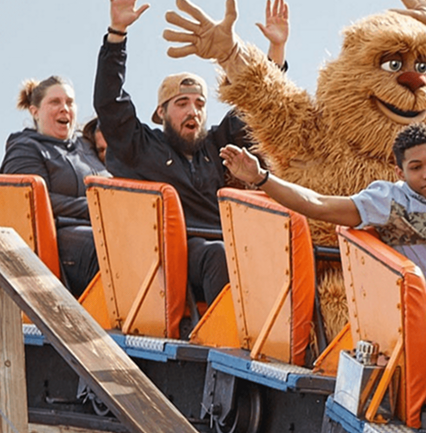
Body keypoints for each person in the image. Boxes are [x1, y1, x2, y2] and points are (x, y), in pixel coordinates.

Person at [220, 69, 426, 377]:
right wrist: (262, 178)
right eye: (416, 167)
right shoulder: (389, 201)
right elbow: (318, 204)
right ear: (400, 173)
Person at [94, 0, 289, 305]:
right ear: (162, 112)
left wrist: (275, 53)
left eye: (199, 104)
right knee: (219, 255)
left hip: (230, 244)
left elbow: (258, 109)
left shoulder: (215, 146)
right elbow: (110, 103)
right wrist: (117, 33)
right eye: (182, 103)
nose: (193, 111)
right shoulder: (141, 146)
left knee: (282, 250)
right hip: (171, 254)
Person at [1, 76, 111, 297]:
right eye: (55, 102)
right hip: (62, 239)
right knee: (109, 250)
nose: (64, 108)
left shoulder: (87, 147)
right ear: (35, 111)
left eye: (69, 102)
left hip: (107, 226)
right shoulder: (25, 149)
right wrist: (95, 208)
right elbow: (30, 203)